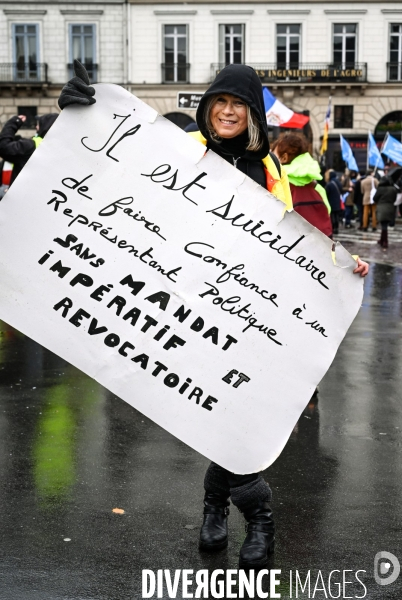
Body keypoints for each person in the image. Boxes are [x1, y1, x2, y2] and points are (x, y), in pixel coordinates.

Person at [58, 61, 370, 569]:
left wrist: (339, 264)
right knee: (217, 417)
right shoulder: (179, 150)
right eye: (219, 102)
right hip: (186, 306)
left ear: (252, 115)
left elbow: (296, 240)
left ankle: (218, 510)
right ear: (206, 108)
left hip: (246, 312)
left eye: (237, 103)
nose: (227, 111)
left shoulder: (271, 171)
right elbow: (111, 170)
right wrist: (75, 119)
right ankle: (255, 516)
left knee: (235, 417)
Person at [271, 131, 333, 238]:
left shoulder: (278, 186)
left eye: (273, 155)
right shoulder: (316, 186)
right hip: (320, 248)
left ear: (284, 158)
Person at [0, 113, 58, 186]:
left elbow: (3, 147)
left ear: (46, 126)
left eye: (39, 124)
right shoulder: (57, 149)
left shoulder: (30, 146)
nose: (36, 127)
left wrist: (13, 123)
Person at [373, 176, 398, 249]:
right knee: (385, 225)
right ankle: (382, 240)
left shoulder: (380, 189)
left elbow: (375, 198)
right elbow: (394, 199)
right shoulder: (393, 189)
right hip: (390, 207)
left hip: (381, 207)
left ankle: (385, 241)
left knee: (384, 225)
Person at [325, 170, 343, 235]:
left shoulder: (329, 184)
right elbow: (341, 190)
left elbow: (326, 193)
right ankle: (337, 228)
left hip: (331, 201)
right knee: (337, 215)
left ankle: (333, 228)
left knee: (332, 216)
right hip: (338, 201)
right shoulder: (339, 183)